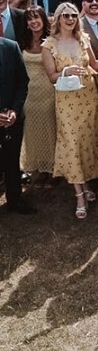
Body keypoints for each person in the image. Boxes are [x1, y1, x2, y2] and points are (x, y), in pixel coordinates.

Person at [41, 3, 98, 219]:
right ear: (58, 19)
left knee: (87, 141)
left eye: (73, 15)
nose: (70, 19)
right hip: (67, 101)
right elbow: (51, 76)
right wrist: (66, 70)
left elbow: (96, 64)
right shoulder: (49, 45)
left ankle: (86, 183)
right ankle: (79, 194)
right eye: (65, 15)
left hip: (89, 98)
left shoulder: (83, 39)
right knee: (71, 142)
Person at [18, 6, 57, 188]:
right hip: (29, 93)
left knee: (50, 128)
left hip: (48, 91)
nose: (33, 22)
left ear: (43, 19)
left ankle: (52, 170)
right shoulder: (23, 41)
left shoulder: (51, 41)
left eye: (36, 18)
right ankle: (40, 169)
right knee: (32, 130)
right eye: (29, 19)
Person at [0, 31, 33, 214]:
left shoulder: (11, 47)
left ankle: (15, 200)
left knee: (12, 160)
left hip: (12, 118)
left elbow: (22, 81)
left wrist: (14, 110)